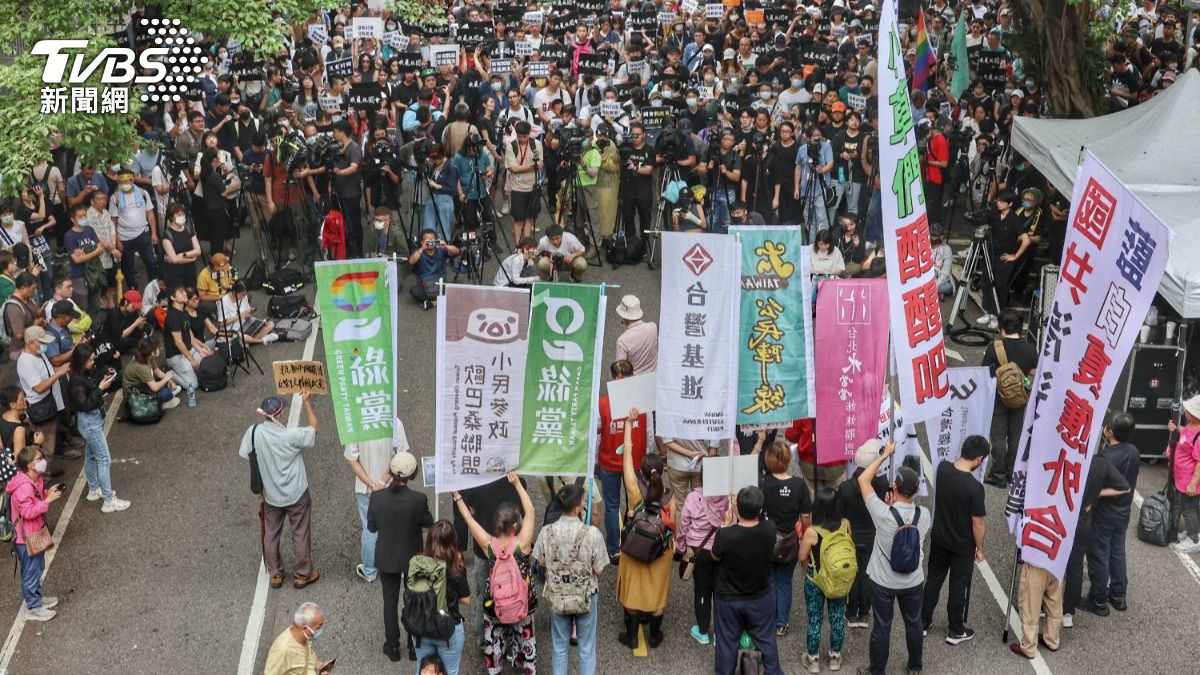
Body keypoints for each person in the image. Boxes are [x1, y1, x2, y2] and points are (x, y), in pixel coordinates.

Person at [857, 441, 931, 675]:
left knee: (882, 626)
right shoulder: (925, 515)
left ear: (894, 487)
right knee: (914, 623)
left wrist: (885, 455)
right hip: (913, 580)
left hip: (883, 581)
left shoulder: (883, 514)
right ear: (917, 490)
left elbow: (863, 480)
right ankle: (915, 667)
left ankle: (877, 670)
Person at [453, 472, 537, 675]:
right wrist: (517, 483)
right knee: (525, 635)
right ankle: (523, 663)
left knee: (494, 636)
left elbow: (467, 518)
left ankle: (495, 667)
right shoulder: (522, 544)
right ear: (516, 525)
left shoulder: (489, 546)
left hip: (495, 602)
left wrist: (456, 494)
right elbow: (531, 510)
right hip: (521, 599)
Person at [238, 394, 321, 590]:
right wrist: (307, 403)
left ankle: (275, 573)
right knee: (300, 532)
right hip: (296, 492)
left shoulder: (253, 432)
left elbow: (246, 454)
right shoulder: (290, 435)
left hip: (271, 495)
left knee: (271, 534)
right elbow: (314, 428)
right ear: (280, 413)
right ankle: (302, 574)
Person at [532, 483, 608, 675]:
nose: (585, 504)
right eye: (583, 501)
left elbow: (540, 562)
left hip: (558, 597)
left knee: (559, 648)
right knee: (586, 648)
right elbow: (599, 570)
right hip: (586, 595)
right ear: (577, 508)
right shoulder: (592, 534)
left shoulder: (546, 532)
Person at [921, 436, 989, 644]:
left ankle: (923, 622)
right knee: (958, 586)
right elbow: (978, 523)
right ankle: (955, 629)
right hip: (962, 545)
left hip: (940, 537)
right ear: (978, 459)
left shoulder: (943, 470)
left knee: (933, 579)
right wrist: (980, 548)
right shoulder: (975, 488)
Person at [616, 409, 673, 651]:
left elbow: (626, 454)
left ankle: (631, 636)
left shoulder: (634, 490)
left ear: (642, 471)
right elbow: (675, 528)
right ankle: (654, 635)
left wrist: (629, 424)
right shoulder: (671, 497)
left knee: (632, 591)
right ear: (661, 471)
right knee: (657, 592)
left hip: (634, 547)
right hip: (661, 552)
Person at [711, 485, 784, 675]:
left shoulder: (726, 535)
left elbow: (715, 555)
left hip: (728, 597)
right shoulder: (769, 529)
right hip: (759, 595)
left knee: (726, 642)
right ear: (760, 510)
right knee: (766, 640)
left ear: (737, 510)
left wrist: (726, 524)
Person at [368, 451, 433, 662]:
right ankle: (414, 646)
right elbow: (428, 524)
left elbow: (371, 527)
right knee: (414, 600)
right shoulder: (418, 499)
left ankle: (393, 646)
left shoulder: (377, 498)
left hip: (386, 556)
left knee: (390, 601)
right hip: (413, 557)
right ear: (412, 474)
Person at [344, 418, 409, 583]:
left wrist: (371, 483)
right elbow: (401, 456)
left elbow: (352, 459)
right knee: (395, 525)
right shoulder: (394, 421)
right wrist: (382, 481)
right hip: (391, 486)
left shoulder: (356, 421)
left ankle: (370, 570)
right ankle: (399, 567)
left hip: (365, 488)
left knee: (369, 528)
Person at [66, 344, 129, 513]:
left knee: (91, 455)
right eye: (90, 360)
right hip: (90, 421)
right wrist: (100, 389)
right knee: (104, 459)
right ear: (81, 361)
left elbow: (91, 385)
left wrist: (102, 375)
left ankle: (94, 489)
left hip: (91, 420)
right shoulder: (75, 382)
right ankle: (109, 500)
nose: (93, 362)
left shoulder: (82, 374)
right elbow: (85, 404)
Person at [1087, 412, 1140, 614]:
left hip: (1105, 512)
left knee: (1100, 554)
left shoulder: (1105, 458)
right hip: (1124, 511)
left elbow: (1095, 486)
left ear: (1109, 432)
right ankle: (1119, 595)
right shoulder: (1134, 451)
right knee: (1117, 552)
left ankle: (1099, 600)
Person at [596, 360, 649, 561]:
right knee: (635, 503)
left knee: (611, 505)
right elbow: (649, 433)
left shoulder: (602, 402)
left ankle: (614, 548)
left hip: (608, 461)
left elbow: (598, 434)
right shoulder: (642, 401)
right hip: (635, 463)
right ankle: (636, 542)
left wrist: (595, 460)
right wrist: (647, 457)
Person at [6, 444, 63, 622]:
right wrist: (48, 500)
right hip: (26, 537)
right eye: (39, 459)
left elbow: (36, 498)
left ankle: (37, 598)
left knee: (38, 567)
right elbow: (28, 512)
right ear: (29, 465)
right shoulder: (24, 487)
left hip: (35, 532)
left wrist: (47, 493)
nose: (43, 461)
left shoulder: (34, 480)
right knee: (31, 572)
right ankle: (33, 607)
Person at [761, 439, 812, 636]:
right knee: (784, 581)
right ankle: (782, 622)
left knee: (770, 579)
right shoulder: (799, 485)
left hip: (767, 539)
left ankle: (770, 618)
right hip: (790, 541)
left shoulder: (763, 483)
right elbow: (806, 516)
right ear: (788, 459)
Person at [838, 440, 891, 629]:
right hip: (872, 537)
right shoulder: (883, 484)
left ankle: (851, 613)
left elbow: (840, 514)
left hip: (850, 537)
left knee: (852, 574)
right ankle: (865, 613)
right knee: (867, 575)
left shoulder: (845, 487)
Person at [981, 310, 1037, 488]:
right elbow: (1032, 374)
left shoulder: (994, 348)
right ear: (1021, 329)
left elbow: (985, 374)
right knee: (1015, 436)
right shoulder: (1030, 349)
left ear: (1002, 328)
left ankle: (997, 475)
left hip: (998, 398)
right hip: (1020, 399)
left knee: (998, 436)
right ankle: (1012, 472)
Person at [799, 488, 851, 673]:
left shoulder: (812, 532)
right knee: (837, 617)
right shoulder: (845, 524)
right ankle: (835, 658)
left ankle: (813, 660)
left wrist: (805, 567)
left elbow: (802, 555)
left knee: (815, 620)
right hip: (838, 579)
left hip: (816, 580)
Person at [412, 521, 472, 674]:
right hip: (448, 628)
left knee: (422, 669)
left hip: (421, 626)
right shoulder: (456, 568)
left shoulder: (418, 563)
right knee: (450, 670)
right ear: (453, 542)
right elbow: (466, 599)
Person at [675, 481, 727, 646]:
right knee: (720, 592)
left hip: (698, 550)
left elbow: (684, 524)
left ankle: (703, 631)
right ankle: (721, 634)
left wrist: (681, 546)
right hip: (721, 550)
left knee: (702, 590)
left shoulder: (693, 497)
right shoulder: (728, 499)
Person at [16, 325, 75, 461]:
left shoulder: (38, 353)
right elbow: (38, 387)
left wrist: (60, 369)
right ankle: (43, 476)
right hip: (41, 407)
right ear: (30, 343)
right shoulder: (26, 362)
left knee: (52, 439)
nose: (45, 345)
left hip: (50, 401)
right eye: (41, 342)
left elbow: (47, 371)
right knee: (45, 446)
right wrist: (58, 373)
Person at [108, 169, 159, 290]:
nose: (125, 183)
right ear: (118, 183)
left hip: (142, 233)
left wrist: (154, 233)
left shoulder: (143, 193)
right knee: (128, 266)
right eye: (122, 181)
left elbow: (150, 213)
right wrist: (117, 239)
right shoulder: (115, 198)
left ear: (132, 179)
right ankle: (133, 290)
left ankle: (153, 288)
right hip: (124, 237)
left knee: (151, 262)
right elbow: (113, 220)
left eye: (128, 180)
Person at [164, 284, 212, 408]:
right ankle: (170, 374)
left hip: (188, 350)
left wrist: (200, 349)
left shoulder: (184, 312)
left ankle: (188, 368)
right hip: (176, 356)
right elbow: (178, 342)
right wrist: (191, 359)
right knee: (194, 385)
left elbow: (189, 336)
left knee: (207, 366)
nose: (185, 294)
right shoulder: (173, 316)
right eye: (181, 293)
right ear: (173, 298)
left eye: (184, 292)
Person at [264, 601, 333, 675]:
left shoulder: (304, 636)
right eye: (319, 627)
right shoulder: (282, 650)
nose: (320, 630)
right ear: (305, 628)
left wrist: (320, 665)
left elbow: (306, 657)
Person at [1169, 395, 1200, 552]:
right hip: (1183, 477)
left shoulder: (1199, 434)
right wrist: (1175, 429)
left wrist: (1193, 483)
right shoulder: (1190, 426)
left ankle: (1194, 539)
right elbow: (1185, 434)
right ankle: (1192, 532)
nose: (1185, 411)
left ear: (1194, 414)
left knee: (1189, 509)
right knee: (1189, 508)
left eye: (1187, 410)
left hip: (1190, 480)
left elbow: (1199, 462)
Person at [505, 121, 543, 245]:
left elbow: (540, 164)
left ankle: (527, 245)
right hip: (518, 188)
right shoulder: (511, 146)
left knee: (529, 219)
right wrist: (532, 166)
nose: (522, 139)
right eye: (520, 136)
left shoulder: (536, 144)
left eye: (525, 137)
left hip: (533, 186)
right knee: (518, 220)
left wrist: (523, 167)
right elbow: (513, 169)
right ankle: (518, 245)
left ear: (529, 134)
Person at [121, 336, 182, 409]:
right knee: (166, 393)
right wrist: (166, 379)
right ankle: (161, 405)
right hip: (135, 394)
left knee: (167, 387)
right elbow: (155, 388)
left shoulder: (147, 357)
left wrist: (170, 381)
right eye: (157, 348)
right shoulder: (142, 367)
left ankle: (167, 394)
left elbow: (158, 372)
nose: (158, 349)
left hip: (142, 385)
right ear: (152, 352)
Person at [408, 229, 461, 310]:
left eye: (432, 240)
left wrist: (446, 246)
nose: (430, 242)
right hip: (425, 286)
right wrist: (422, 249)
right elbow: (411, 261)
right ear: (422, 242)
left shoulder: (441, 250)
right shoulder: (418, 252)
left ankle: (434, 302)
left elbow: (457, 251)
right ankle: (441, 300)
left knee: (458, 287)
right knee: (414, 290)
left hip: (441, 284)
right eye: (427, 240)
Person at [218, 280, 279, 345]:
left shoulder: (244, 297)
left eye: (245, 294)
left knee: (270, 324)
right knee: (241, 336)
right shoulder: (223, 302)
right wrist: (239, 316)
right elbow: (221, 324)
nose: (244, 296)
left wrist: (249, 313)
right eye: (242, 294)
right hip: (233, 330)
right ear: (234, 292)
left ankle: (247, 343)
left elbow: (246, 314)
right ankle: (261, 340)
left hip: (245, 323)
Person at [160, 203, 202, 290]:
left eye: (183, 214)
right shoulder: (167, 236)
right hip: (175, 273)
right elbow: (174, 259)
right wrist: (191, 258)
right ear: (171, 217)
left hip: (190, 270)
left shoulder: (189, 229)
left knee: (192, 292)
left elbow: (198, 250)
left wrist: (183, 255)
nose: (182, 216)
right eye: (179, 214)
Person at [614, 295, 658, 375]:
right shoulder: (653, 328)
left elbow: (619, 372)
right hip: (653, 380)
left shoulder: (622, 341)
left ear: (624, 317)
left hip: (634, 384)